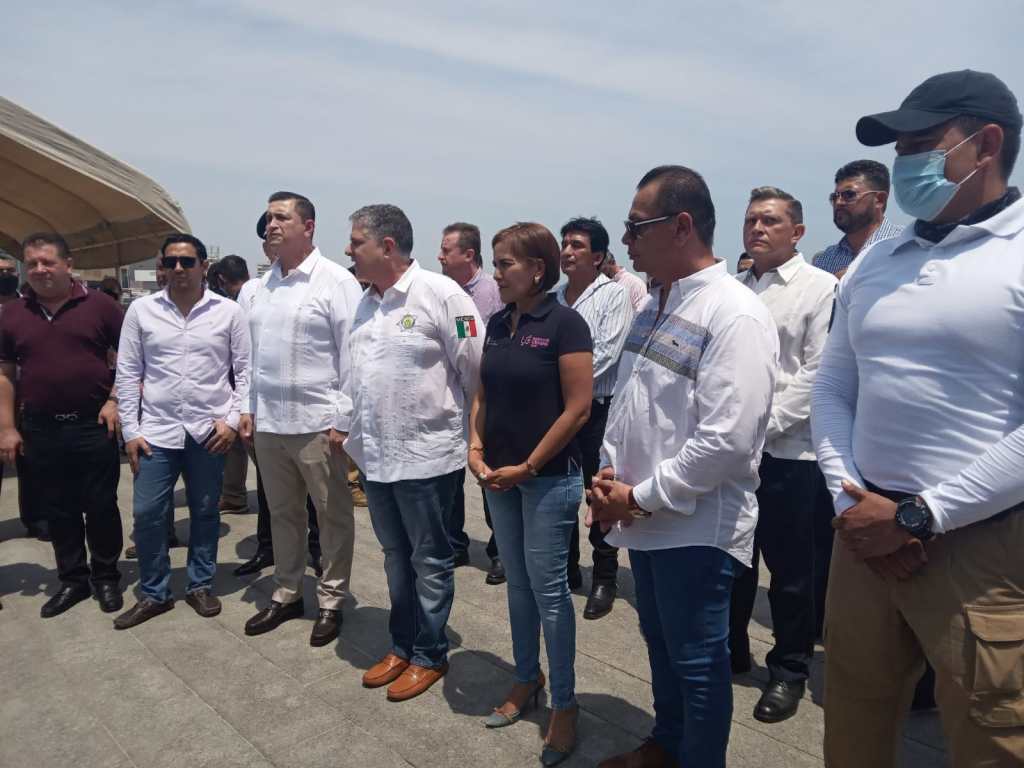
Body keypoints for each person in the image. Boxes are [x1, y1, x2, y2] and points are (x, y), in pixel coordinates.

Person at [812, 69, 1024, 768]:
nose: (903, 163)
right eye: (899, 149)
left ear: (986, 144)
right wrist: (850, 499)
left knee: (992, 737)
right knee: (852, 719)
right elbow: (834, 384)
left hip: (978, 546)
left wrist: (920, 516)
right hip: (862, 530)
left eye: (921, 145)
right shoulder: (881, 257)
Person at [589, 166, 777, 768]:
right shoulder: (655, 305)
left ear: (682, 226)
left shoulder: (734, 313)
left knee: (697, 662)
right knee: (660, 644)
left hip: (695, 526)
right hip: (642, 517)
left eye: (635, 226)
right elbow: (631, 405)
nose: (626, 240)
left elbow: (728, 439)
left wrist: (639, 496)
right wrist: (609, 476)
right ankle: (666, 745)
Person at [345, 204, 482, 702]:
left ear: (387, 246)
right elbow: (355, 375)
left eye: (356, 242)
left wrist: (474, 438)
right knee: (394, 557)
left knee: (430, 559)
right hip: (376, 458)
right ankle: (401, 644)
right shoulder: (366, 304)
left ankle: (429, 652)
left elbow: (475, 369)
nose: (348, 250)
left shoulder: (444, 296)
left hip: (426, 458)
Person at [469, 222, 592, 765]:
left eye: (505, 264)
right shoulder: (498, 323)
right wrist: (475, 445)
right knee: (517, 586)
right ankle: (527, 677)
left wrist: (529, 465)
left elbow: (578, 408)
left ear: (538, 269)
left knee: (550, 592)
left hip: (547, 479)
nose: (496, 274)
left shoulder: (565, 324)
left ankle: (565, 702)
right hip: (498, 477)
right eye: (495, 263)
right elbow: (483, 393)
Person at [728, 187, 837, 724]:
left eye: (770, 220)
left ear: (797, 232)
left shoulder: (820, 288)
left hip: (790, 452)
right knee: (735, 559)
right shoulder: (734, 289)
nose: (757, 228)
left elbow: (817, 373)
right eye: (751, 219)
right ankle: (732, 650)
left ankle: (790, 669)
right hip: (732, 452)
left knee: (792, 572)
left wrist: (757, 429)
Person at [240, 192, 361, 648]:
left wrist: (343, 419)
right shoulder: (259, 288)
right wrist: (248, 408)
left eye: (282, 217)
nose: (272, 224)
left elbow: (353, 356)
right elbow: (250, 359)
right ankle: (287, 591)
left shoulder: (336, 281)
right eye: (269, 217)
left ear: (308, 226)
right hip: (270, 424)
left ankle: (331, 599)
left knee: (332, 516)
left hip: (317, 423)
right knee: (282, 514)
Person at [112, 234, 250, 628]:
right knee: (147, 513)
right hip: (156, 430)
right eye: (169, 261)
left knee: (205, 511)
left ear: (204, 266)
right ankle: (154, 592)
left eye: (186, 261)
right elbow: (128, 372)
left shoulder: (228, 312)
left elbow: (244, 371)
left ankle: (199, 584)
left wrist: (231, 420)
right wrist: (131, 430)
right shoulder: (142, 310)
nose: (177, 269)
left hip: (209, 431)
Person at [0, 232, 125, 618]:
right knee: (59, 508)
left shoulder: (101, 307)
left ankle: (106, 576)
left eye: (48, 262)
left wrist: (115, 400)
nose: (40, 270)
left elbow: (132, 358)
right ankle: (73, 579)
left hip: (93, 425)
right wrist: (7, 427)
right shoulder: (13, 314)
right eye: (32, 263)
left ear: (68, 265)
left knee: (101, 505)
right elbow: (5, 373)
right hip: (41, 428)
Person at [233, 215, 322, 577]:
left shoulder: (321, 283)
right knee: (271, 491)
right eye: (269, 241)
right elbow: (243, 354)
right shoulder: (253, 291)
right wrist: (245, 406)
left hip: (310, 413)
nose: (274, 245)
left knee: (317, 495)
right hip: (265, 410)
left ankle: (317, 549)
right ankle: (268, 548)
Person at [557, 217, 633, 619]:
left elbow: (604, 355)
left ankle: (604, 577)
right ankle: (567, 568)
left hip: (596, 411)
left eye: (577, 245)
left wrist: (554, 378)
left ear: (599, 256)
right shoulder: (553, 297)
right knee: (560, 491)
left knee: (597, 492)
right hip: (556, 411)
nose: (567, 251)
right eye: (565, 244)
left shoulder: (613, 296)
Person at [438, 221, 504, 581]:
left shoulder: (492, 292)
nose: (439, 256)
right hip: (453, 397)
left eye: (446, 250)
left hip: (487, 397)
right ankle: (454, 543)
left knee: (487, 470)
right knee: (451, 472)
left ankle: (500, 549)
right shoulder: (443, 291)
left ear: (468, 255)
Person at [212, 254, 254, 516]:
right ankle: (234, 496)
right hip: (250, 387)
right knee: (237, 446)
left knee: (250, 446)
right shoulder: (261, 295)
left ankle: (236, 496)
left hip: (241, 389)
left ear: (221, 280)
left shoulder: (229, 307)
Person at [812, 159, 903, 278]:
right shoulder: (824, 261)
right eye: (834, 197)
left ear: (879, 200)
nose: (838, 202)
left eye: (849, 195)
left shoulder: (909, 245)